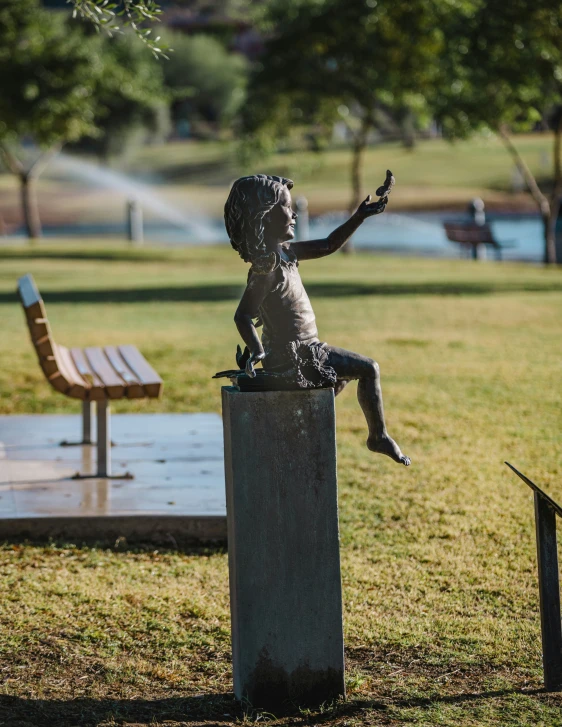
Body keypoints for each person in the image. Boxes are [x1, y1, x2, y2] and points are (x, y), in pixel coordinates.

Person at [224, 173, 410, 466]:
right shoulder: (267, 268)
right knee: (368, 368)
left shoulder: (287, 253)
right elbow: (243, 315)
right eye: (286, 207)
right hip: (296, 356)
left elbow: (328, 245)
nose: (294, 212)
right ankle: (377, 437)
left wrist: (359, 216)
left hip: (309, 349)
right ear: (264, 217)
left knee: (342, 378)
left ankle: (309, 427)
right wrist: (258, 351)